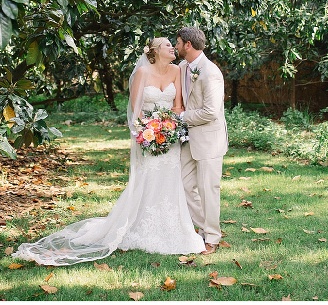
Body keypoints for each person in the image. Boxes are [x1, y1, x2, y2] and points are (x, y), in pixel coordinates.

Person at [12, 37, 204, 265]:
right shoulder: (143, 73)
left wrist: (169, 128)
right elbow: (135, 109)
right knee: (149, 179)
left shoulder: (176, 71)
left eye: (173, 45)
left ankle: (173, 228)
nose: (173, 48)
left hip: (169, 137)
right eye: (167, 45)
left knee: (170, 180)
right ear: (154, 51)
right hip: (148, 135)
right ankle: (140, 226)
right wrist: (148, 132)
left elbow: (178, 106)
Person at [175, 27, 228, 255]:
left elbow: (210, 112)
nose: (176, 46)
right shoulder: (182, 67)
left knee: (208, 190)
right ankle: (204, 228)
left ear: (188, 44)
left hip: (209, 140)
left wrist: (181, 118)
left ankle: (212, 238)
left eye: (178, 42)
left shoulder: (210, 72)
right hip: (188, 139)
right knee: (184, 185)